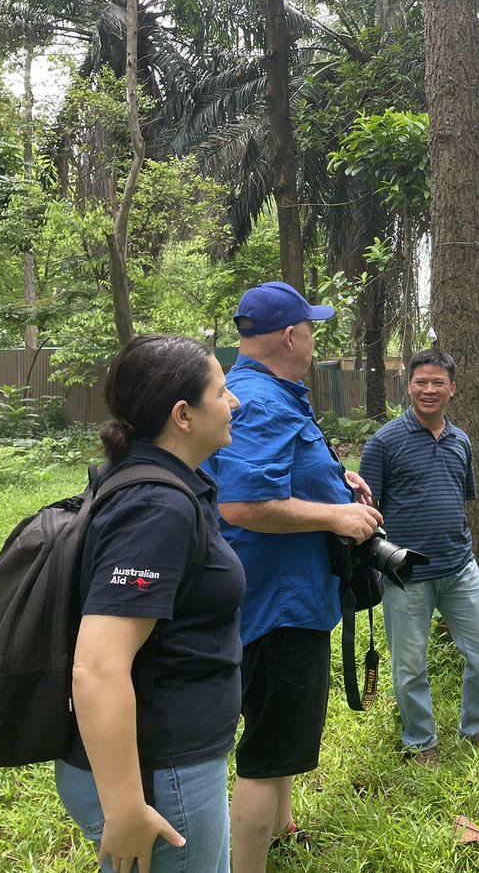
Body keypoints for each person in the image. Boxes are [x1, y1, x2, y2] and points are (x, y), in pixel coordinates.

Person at [203, 281, 383, 873]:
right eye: (310, 327)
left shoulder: (270, 391)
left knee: (278, 737)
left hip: (294, 599)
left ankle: (281, 832)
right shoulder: (258, 401)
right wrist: (335, 514)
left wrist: (337, 483)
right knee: (268, 750)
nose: (312, 337)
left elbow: (281, 474)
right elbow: (242, 505)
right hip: (277, 607)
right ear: (290, 335)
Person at [55, 335, 244, 873]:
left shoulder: (161, 483)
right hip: (160, 774)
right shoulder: (157, 505)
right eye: (222, 392)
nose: (235, 403)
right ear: (183, 414)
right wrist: (125, 808)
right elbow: (97, 666)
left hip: (169, 767)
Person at [359, 348, 479, 766]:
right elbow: (365, 514)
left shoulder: (461, 441)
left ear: (452, 389)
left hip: (460, 567)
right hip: (406, 575)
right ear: (409, 385)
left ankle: (477, 728)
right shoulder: (384, 442)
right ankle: (420, 742)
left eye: (438, 382)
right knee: (409, 665)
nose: (429, 389)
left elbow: (463, 500)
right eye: (421, 381)